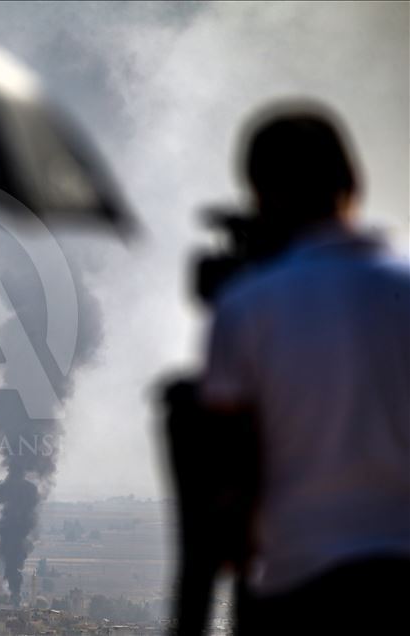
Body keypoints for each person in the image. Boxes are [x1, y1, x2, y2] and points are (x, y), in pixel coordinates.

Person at [200, 103, 410, 633]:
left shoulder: (248, 306)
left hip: (297, 588)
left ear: (261, 195)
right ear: (353, 182)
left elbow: (226, 475)